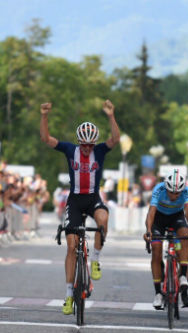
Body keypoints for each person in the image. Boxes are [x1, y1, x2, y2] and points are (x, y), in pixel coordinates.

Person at [40, 99, 120, 315]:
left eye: (90, 145)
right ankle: (68, 295)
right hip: (75, 200)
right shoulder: (69, 150)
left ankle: (95, 259)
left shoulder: (100, 152)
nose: (86, 149)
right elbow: (46, 139)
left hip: (93, 198)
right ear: (78, 143)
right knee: (71, 246)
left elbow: (116, 138)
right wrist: (45, 116)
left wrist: (111, 116)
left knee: (103, 219)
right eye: (83, 145)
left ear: (94, 144)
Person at [143, 168, 188, 309]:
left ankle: (183, 277)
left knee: (184, 237)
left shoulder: (187, 191)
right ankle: (158, 293)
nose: (174, 195)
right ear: (166, 187)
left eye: (177, 192)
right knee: (156, 248)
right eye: (171, 192)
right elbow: (151, 212)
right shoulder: (159, 189)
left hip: (176, 218)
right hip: (158, 219)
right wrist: (148, 230)